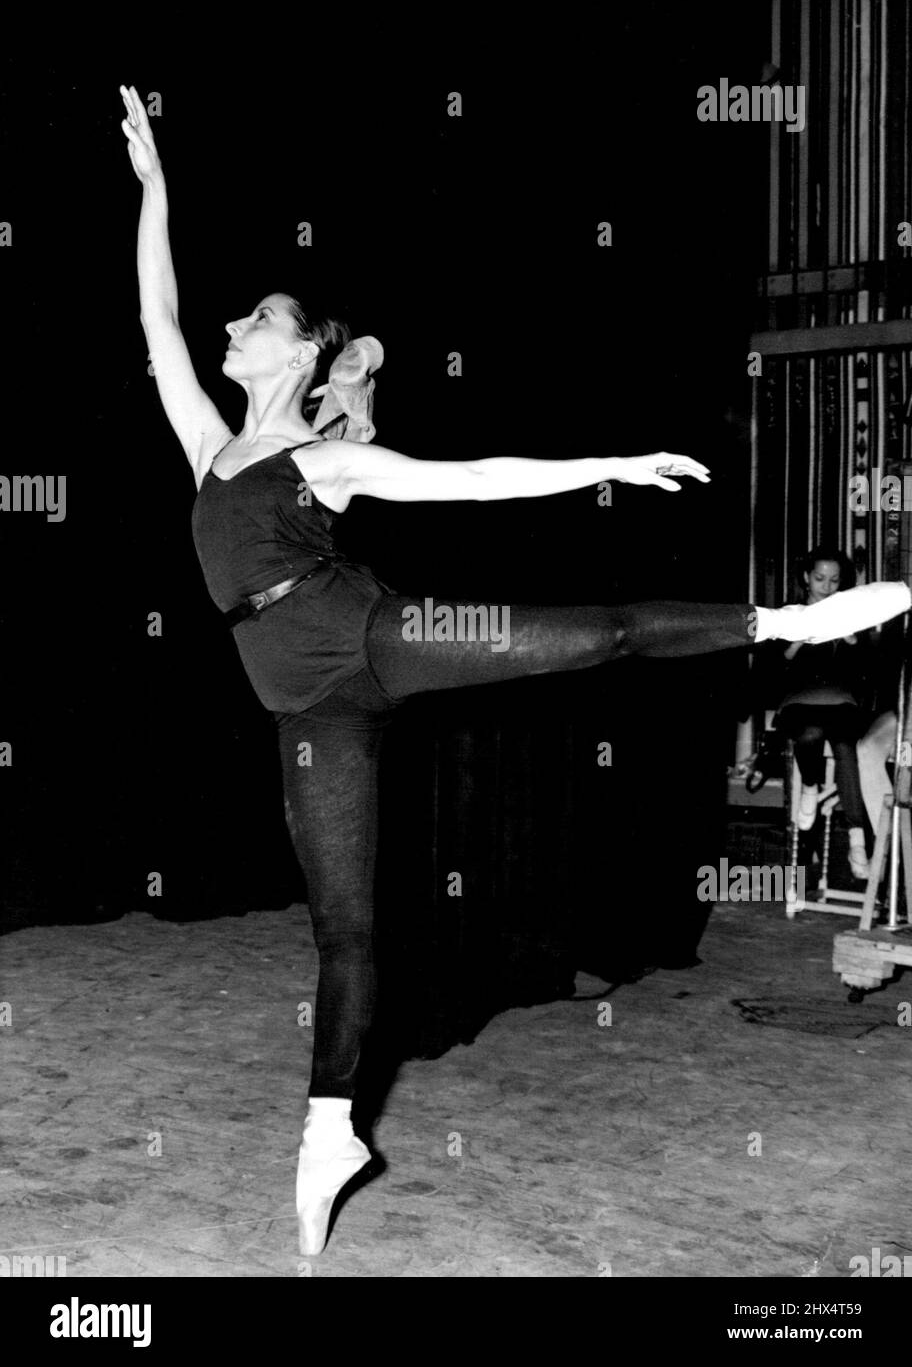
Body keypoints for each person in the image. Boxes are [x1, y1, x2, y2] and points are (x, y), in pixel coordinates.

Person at [120, 86, 912, 1256]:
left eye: (261, 315)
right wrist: (155, 186)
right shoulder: (207, 440)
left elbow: (479, 477)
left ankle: (796, 620)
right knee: (346, 926)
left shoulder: (323, 461)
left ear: (300, 352)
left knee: (598, 632)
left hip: (378, 637)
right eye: (236, 314)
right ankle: (331, 1126)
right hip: (304, 702)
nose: (233, 325)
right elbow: (157, 315)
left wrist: (610, 460)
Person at [772, 548, 875, 879]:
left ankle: (858, 840)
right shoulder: (791, 612)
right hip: (798, 702)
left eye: (834, 580)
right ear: (805, 578)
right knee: (811, 734)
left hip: (840, 701)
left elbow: (867, 673)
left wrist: (853, 640)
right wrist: (795, 643)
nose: (827, 587)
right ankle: (811, 787)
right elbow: (770, 669)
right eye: (819, 579)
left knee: (846, 747)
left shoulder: (848, 613)